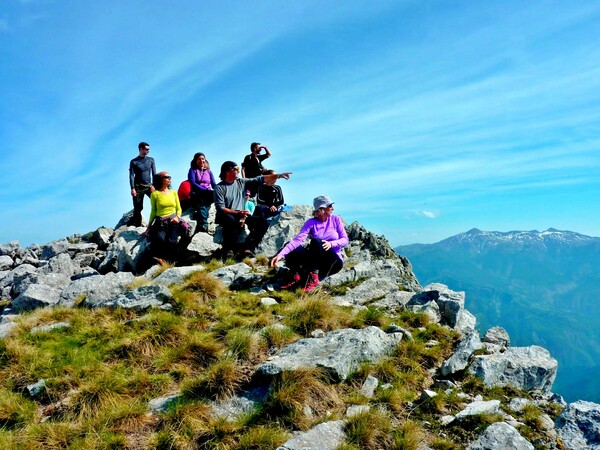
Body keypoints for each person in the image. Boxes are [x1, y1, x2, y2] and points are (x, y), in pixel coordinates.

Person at [270, 195, 348, 293]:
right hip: (316, 260)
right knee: (290, 245)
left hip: (333, 262)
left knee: (316, 242)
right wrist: (280, 255)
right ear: (322, 208)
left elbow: (345, 240)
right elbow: (298, 240)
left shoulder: (336, 219)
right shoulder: (311, 223)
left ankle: (314, 278)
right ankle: (295, 275)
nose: (333, 208)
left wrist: (331, 244)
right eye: (330, 205)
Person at [214, 161, 291, 258]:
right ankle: (229, 249)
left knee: (263, 223)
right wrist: (237, 213)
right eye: (236, 169)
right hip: (227, 215)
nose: (238, 171)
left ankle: (248, 248)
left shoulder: (241, 182)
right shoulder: (219, 188)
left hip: (242, 215)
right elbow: (220, 208)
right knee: (231, 221)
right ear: (227, 171)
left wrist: (279, 176)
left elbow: (259, 179)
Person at [143, 171, 191, 261]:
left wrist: (177, 217)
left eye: (170, 176)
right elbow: (153, 211)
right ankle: (162, 260)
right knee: (160, 239)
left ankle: (172, 261)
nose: (170, 178)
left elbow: (179, 208)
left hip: (174, 220)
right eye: (167, 177)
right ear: (161, 180)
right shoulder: (155, 194)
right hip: (160, 221)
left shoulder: (173, 193)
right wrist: (148, 228)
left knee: (172, 241)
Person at [188, 152, 217, 233]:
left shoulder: (209, 171)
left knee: (211, 199)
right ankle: (204, 223)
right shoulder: (193, 170)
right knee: (202, 203)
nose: (201, 160)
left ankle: (202, 221)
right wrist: (204, 190)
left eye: (203, 159)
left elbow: (214, 184)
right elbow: (193, 182)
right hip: (197, 192)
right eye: (199, 159)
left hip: (208, 193)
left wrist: (219, 189)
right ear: (196, 161)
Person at [129, 142, 156, 226]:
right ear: (141, 149)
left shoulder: (151, 160)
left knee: (157, 203)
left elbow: (154, 173)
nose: (148, 151)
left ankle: (159, 223)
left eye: (149, 149)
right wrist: (132, 188)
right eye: (147, 149)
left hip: (149, 186)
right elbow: (131, 175)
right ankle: (137, 226)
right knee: (138, 207)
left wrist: (154, 185)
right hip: (138, 187)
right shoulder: (134, 161)